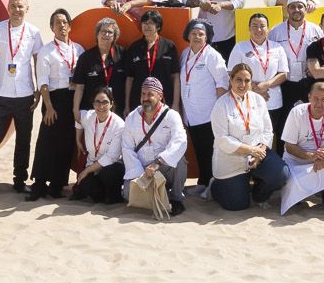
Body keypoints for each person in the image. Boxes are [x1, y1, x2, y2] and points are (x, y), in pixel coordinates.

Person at [0, 0, 44, 200]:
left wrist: (39, 89)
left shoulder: (33, 32)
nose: (16, 10)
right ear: (8, 8)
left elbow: (38, 61)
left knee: (23, 141)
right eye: (13, 6)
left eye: (20, 6)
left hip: (25, 96)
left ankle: (20, 180)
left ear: (27, 8)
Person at [208, 63, 284, 210]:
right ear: (230, 80)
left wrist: (259, 151)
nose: (243, 84)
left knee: (281, 173)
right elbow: (223, 139)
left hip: (258, 154)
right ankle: (215, 187)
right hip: (231, 159)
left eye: (247, 80)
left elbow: (268, 130)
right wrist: (251, 150)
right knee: (237, 205)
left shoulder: (258, 100)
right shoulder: (221, 104)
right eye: (238, 79)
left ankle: (259, 196)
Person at [175, 18, 231, 199]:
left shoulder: (212, 55)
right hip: (191, 114)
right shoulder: (185, 54)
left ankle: (212, 186)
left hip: (209, 113)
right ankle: (203, 182)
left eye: (201, 34)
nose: (197, 37)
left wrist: (220, 112)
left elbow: (222, 83)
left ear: (207, 38)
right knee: (199, 150)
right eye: (194, 33)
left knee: (210, 151)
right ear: (188, 36)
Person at [31, 9, 82, 202]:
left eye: (65, 22)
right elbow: (43, 82)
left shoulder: (78, 49)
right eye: (57, 23)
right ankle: (39, 183)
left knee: (66, 143)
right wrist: (49, 107)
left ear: (70, 25)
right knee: (47, 141)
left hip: (72, 98)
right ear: (52, 27)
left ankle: (58, 184)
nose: (62, 26)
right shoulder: (46, 50)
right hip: (53, 99)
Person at [120, 77, 189, 215]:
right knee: (127, 194)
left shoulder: (171, 116)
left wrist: (158, 162)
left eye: (150, 94)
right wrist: (140, 174)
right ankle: (156, 194)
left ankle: (175, 198)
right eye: (143, 94)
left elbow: (180, 141)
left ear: (160, 96)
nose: (146, 98)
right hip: (141, 168)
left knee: (180, 160)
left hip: (163, 165)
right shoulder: (132, 118)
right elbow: (126, 148)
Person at [280, 82, 324, 211]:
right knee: (292, 188)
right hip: (297, 162)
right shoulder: (296, 113)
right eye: (316, 99)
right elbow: (289, 146)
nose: (319, 104)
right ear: (309, 97)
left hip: (323, 159)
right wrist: (312, 157)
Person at [229, 12, 289, 147]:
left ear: (268, 28)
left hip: (273, 100)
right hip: (248, 99)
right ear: (249, 29)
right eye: (254, 26)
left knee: (271, 134)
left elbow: (284, 73)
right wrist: (255, 90)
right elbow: (232, 74)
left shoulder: (277, 47)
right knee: (251, 134)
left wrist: (266, 85)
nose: (258, 30)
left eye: (262, 26)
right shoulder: (240, 47)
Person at [268, 0, 315, 138]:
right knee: (284, 123)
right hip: (285, 84)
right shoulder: (276, 31)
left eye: (300, 6)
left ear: (306, 9)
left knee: (308, 121)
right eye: (293, 7)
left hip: (307, 82)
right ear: (287, 9)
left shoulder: (315, 30)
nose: (297, 10)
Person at [72, 89, 127, 204]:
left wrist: (86, 170)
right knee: (86, 186)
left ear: (111, 104)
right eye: (97, 102)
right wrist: (78, 140)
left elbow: (112, 157)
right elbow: (78, 119)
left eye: (105, 102)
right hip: (93, 165)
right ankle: (103, 194)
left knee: (109, 174)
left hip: (112, 166)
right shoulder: (88, 116)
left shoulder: (119, 125)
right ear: (93, 104)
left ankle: (115, 195)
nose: (101, 106)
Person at [119, 9, 178, 115]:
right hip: (139, 102)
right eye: (144, 23)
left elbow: (175, 77)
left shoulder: (169, 46)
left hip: (164, 101)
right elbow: (129, 79)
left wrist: (176, 104)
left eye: (150, 23)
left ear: (158, 26)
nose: (146, 26)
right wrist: (127, 105)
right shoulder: (134, 47)